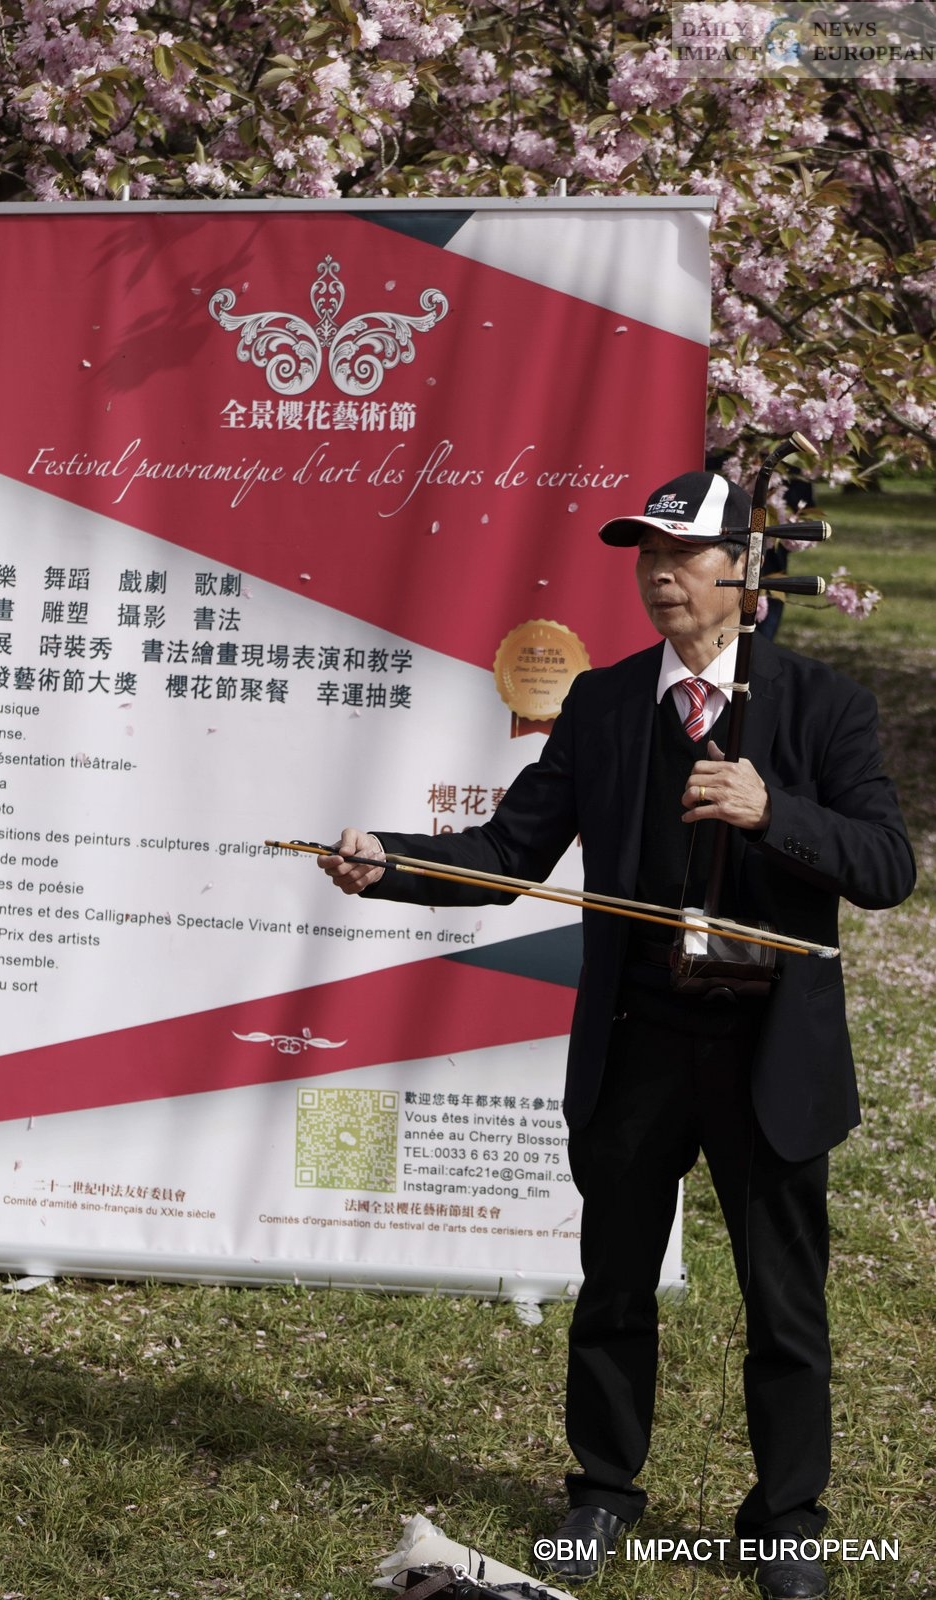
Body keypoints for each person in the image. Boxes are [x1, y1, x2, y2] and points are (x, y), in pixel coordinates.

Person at [318, 469, 915, 1600]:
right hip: (638, 1036)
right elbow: (508, 855)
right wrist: (392, 863)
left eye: (680, 555)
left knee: (784, 1301)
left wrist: (771, 811)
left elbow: (887, 867)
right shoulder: (601, 703)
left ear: (742, 571)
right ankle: (600, 1489)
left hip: (767, 1049)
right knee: (612, 1286)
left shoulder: (821, 705)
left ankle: (787, 1519)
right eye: (645, 554)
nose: (657, 575)